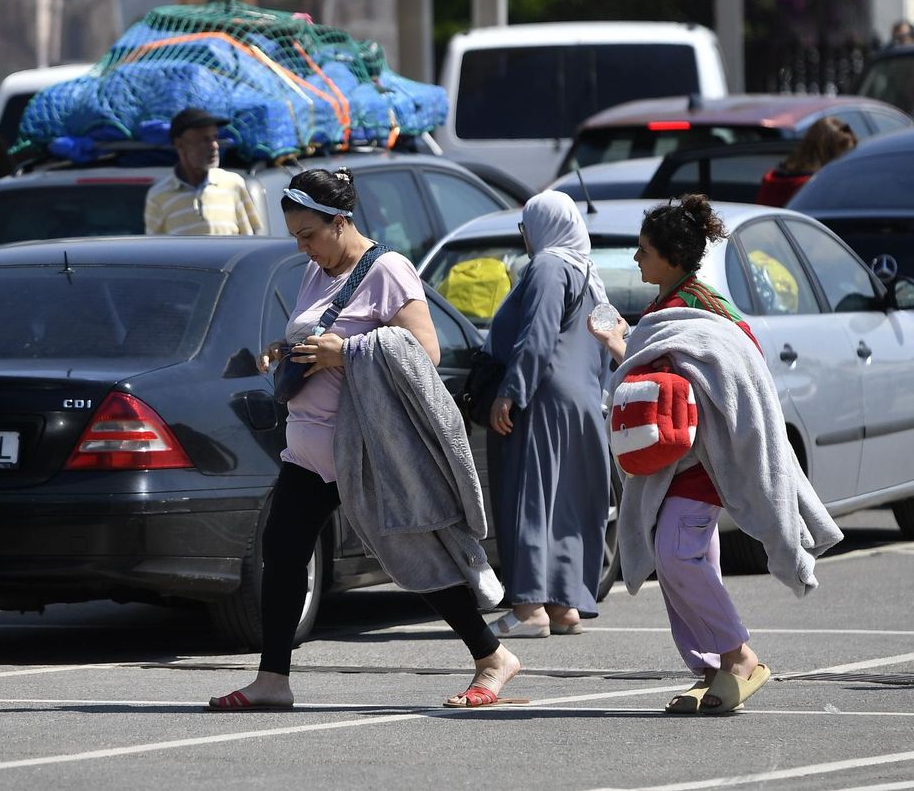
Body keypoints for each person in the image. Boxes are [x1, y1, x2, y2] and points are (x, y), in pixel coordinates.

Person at [208, 168, 520, 711]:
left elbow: (424, 353)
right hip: (309, 451)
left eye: (309, 234)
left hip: (365, 449)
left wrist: (344, 354)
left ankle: (492, 657)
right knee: (282, 554)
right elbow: (315, 333)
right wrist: (287, 353)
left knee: (413, 552)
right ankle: (273, 680)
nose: (303, 247)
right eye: (296, 237)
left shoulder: (388, 268)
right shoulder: (316, 269)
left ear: (340, 221)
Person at [588, 195, 842, 714]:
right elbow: (669, 374)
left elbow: (710, 378)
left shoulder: (704, 309)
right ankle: (710, 668)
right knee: (687, 557)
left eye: (644, 250)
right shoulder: (671, 308)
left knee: (677, 556)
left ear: (673, 257)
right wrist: (625, 343)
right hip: (676, 457)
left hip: (705, 457)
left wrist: (622, 347)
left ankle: (739, 655)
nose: (637, 259)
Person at [484, 191, 612, 637]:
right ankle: (564, 605)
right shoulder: (588, 272)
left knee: (529, 500)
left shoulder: (548, 266)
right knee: (568, 504)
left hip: (541, 398)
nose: (524, 239)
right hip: (582, 402)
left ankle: (528, 609)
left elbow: (537, 334)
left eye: (525, 229)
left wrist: (511, 391)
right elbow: (608, 342)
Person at [144, 107, 263, 236]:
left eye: (215, 138)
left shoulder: (233, 184)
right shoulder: (159, 195)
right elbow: (154, 250)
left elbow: (252, 240)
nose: (214, 146)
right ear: (180, 145)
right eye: (204, 140)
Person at [754, 116, 855, 207]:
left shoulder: (772, 178)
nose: (848, 161)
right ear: (830, 153)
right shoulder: (819, 187)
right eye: (845, 155)